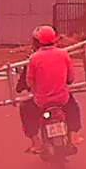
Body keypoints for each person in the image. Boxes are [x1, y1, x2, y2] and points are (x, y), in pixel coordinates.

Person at [18, 25, 82, 153]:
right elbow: (70, 78)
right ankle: (74, 135)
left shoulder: (34, 58)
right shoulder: (63, 54)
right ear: (55, 38)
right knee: (74, 107)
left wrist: (35, 90)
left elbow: (29, 82)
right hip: (62, 99)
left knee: (24, 108)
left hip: (41, 101)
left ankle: (36, 142)